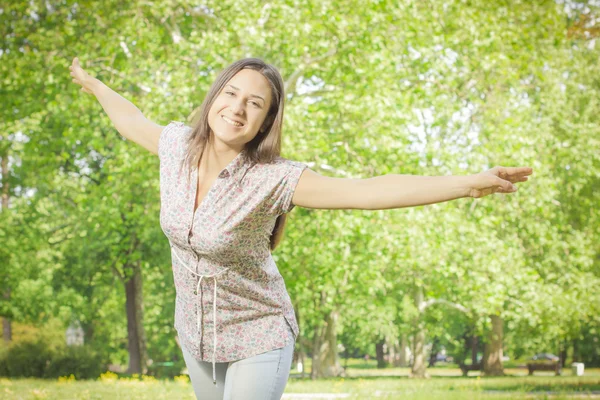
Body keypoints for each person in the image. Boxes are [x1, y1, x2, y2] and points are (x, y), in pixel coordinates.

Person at [69, 56, 532, 399]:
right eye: (230, 94)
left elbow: (366, 191)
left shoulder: (273, 178)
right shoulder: (177, 148)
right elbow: (132, 120)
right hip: (196, 334)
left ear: (265, 121)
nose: (237, 108)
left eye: (255, 103)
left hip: (258, 332)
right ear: (214, 99)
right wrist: (95, 86)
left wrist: (464, 184)